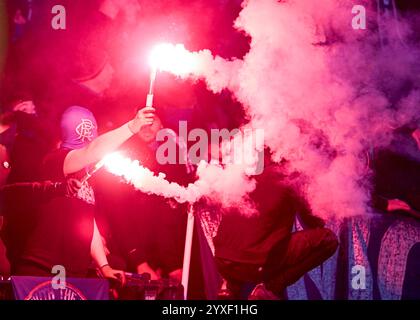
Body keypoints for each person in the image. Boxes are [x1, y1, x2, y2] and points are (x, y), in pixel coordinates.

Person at [14, 104, 155, 282]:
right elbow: (91, 150)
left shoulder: (88, 177)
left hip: (73, 272)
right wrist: (131, 127)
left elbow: (88, 222)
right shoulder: (56, 161)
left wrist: (104, 266)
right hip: (42, 268)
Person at [205, 157, 338, 300]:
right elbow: (313, 223)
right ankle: (269, 287)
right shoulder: (290, 178)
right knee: (328, 240)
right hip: (256, 263)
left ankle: (229, 287)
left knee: (245, 244)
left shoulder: (244, 172)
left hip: (222, 262)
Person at [95, 113, 192, 283]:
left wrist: (171, 263)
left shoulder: (173, 157)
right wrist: (139, 261)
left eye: (152, 121)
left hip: (161, 257)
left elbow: (169, 215)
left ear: (162, 124)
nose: (146, 127)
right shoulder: (122, 155)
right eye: (143, 122)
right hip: (129, 255)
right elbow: (119, 215)